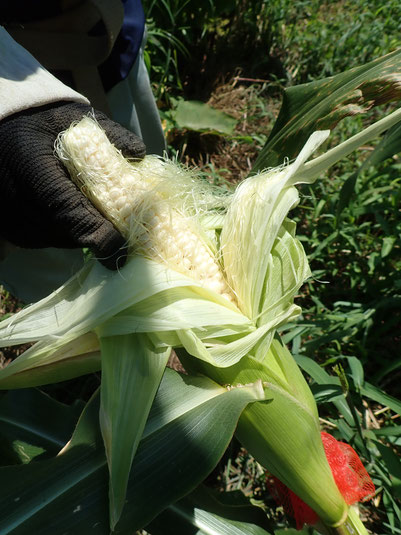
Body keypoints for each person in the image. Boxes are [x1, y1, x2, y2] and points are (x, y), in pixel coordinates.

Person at [0, 0, 166, 303]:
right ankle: (82, 344)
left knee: (150, 183)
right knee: (55, 283)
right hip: (11, 127)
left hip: (106, 38)